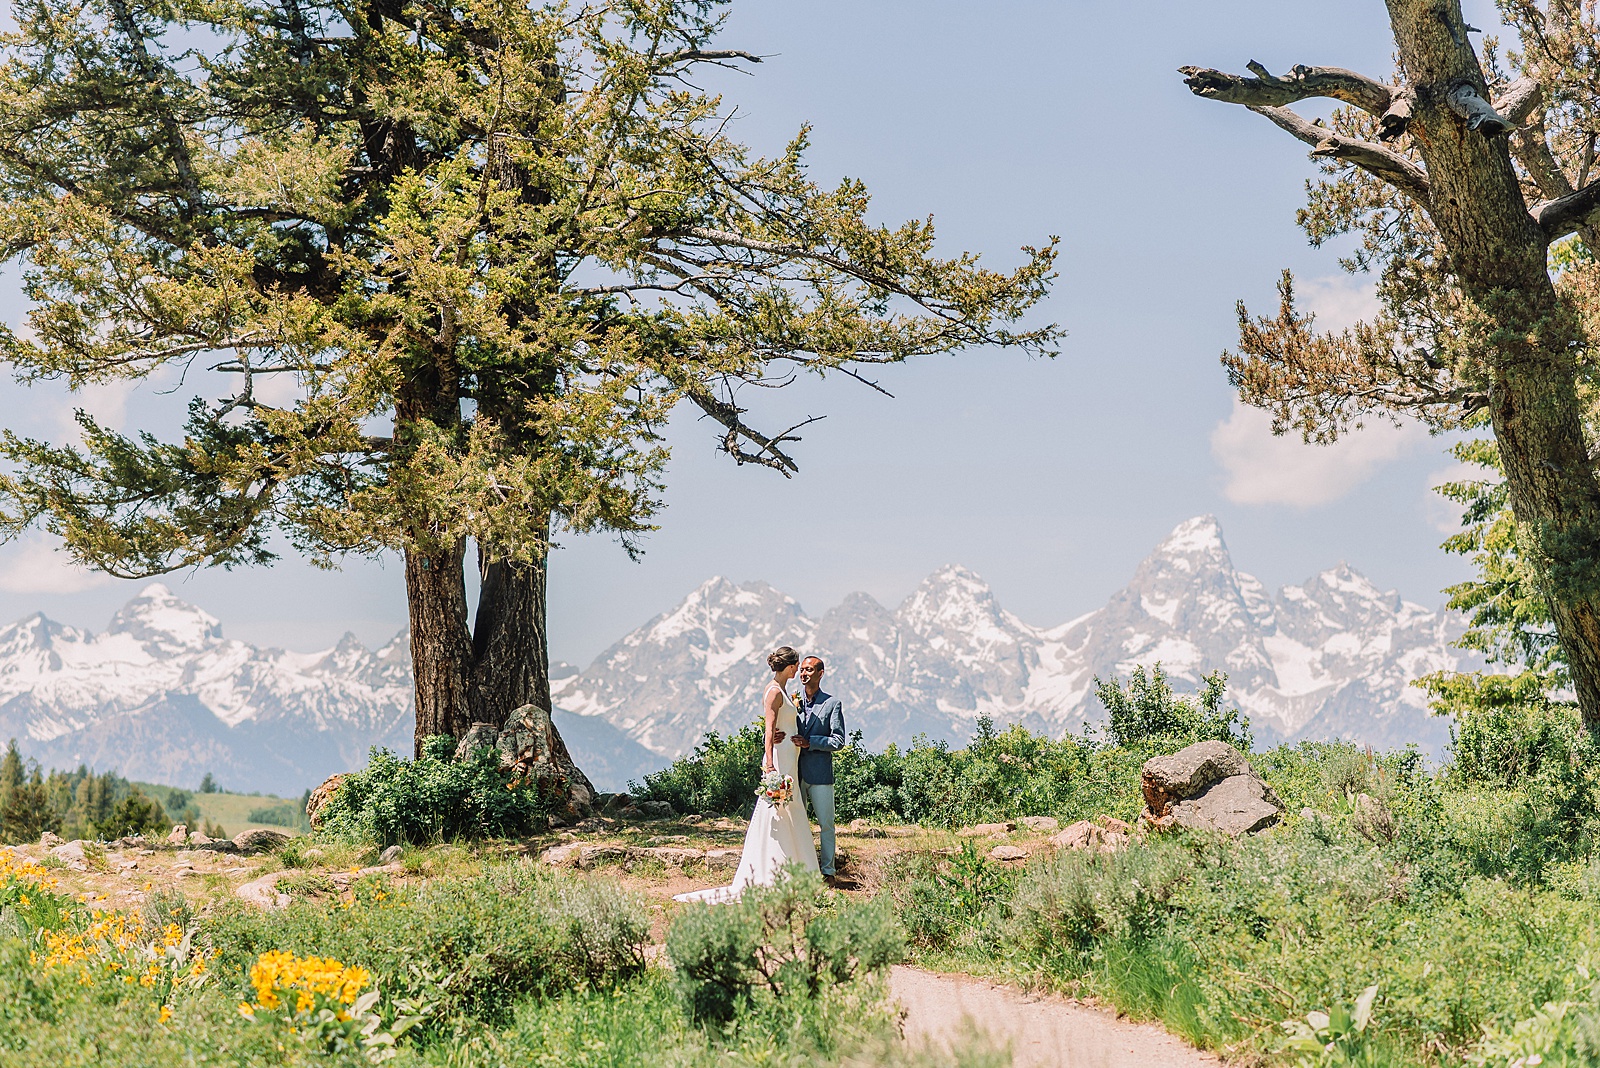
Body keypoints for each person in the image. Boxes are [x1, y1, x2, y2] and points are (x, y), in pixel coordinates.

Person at [673, 646, 819, 903]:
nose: (798, 670)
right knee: (777, 811)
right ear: (789, 665)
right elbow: (769, 729)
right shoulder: (773, 691)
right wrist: (770, 765)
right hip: (779, 760)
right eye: (796, 665)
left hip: (789, 756)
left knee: (791, 809)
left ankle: (797, 870)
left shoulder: (784, 691)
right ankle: (776, 873)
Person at [792, 655, 846, 882]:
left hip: (821, 775)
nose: (804, 674)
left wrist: (811, 742)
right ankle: (800, 870)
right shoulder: (792, 701)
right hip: (794, 773)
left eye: (810, 670)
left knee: (826, 825)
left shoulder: (832, 704)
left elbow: (838, 741)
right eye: (802, 670)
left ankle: (828, 872)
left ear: (821, 673)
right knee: (795, 824)